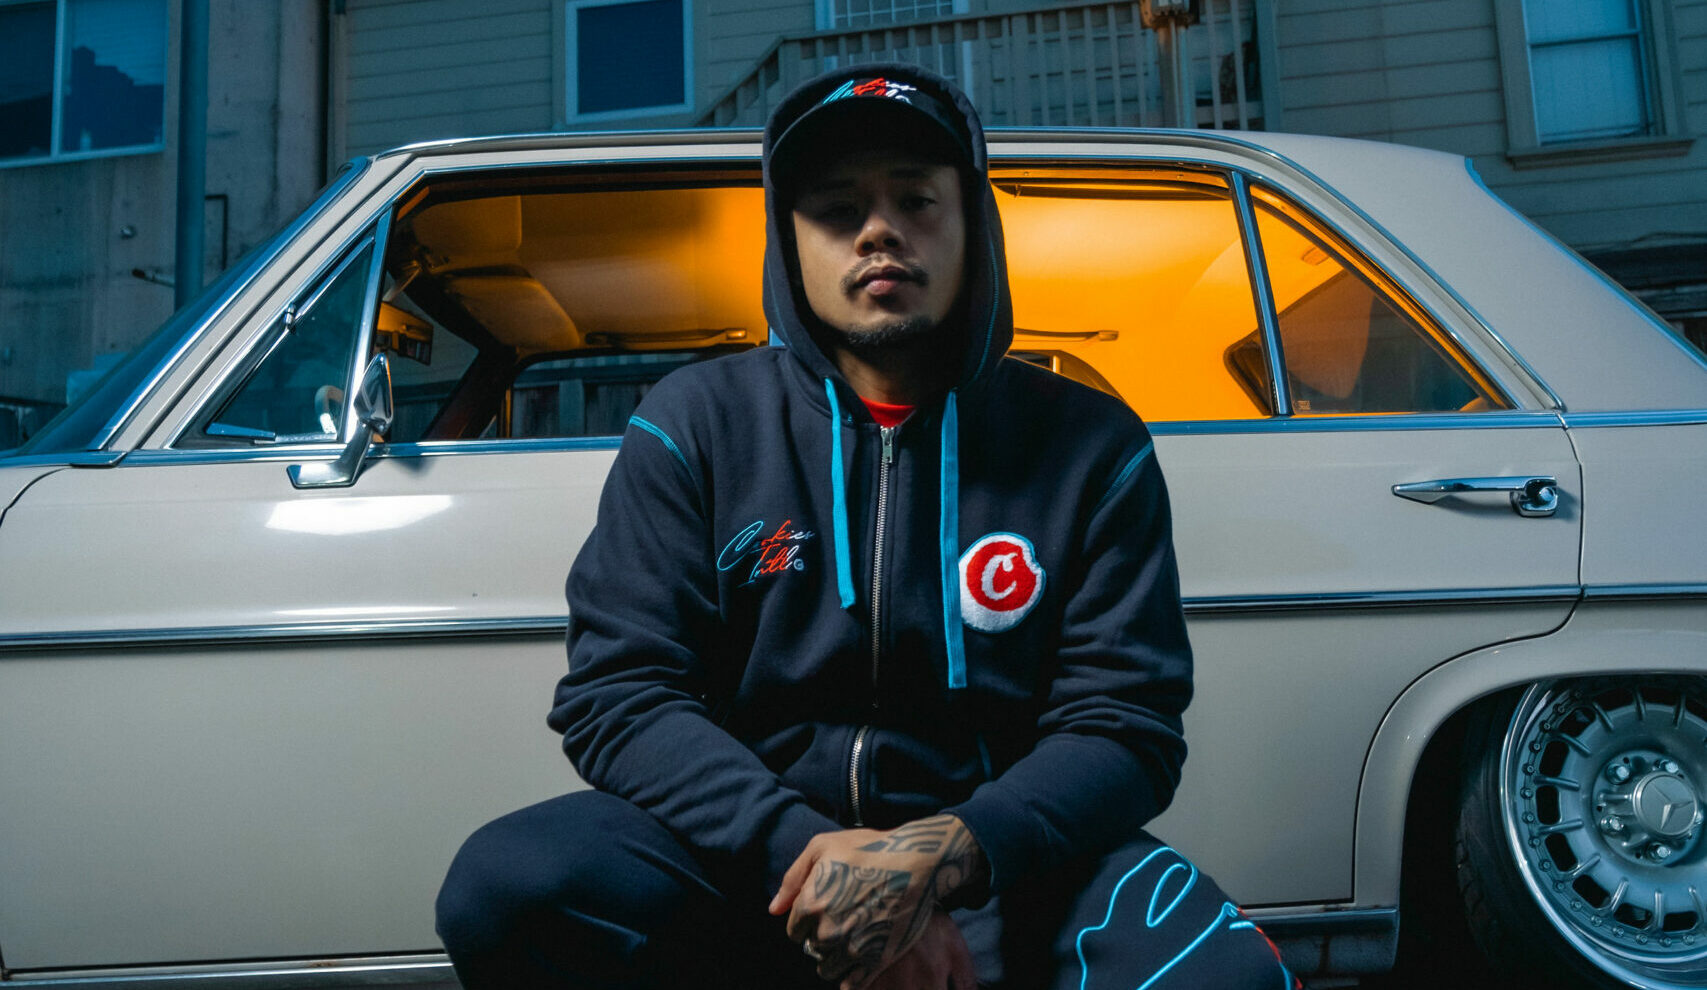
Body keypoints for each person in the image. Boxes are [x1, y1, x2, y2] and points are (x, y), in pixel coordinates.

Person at [435, 64, 1295, 990]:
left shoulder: (1089, 444)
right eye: (837, 209)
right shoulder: (696, 423)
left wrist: (939, 859)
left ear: (972, 225)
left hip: (997, 865)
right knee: (510, 883)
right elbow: (619, 694)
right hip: (757, 868)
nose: (879, 231)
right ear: (788, 241)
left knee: (1226, 977)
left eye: (916, 200)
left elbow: (1124, 726)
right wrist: (817, 862)